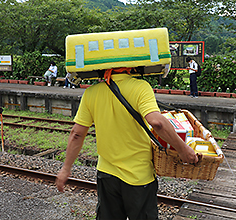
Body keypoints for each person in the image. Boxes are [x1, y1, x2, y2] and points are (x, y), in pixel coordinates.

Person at [56, 68, 198, 219]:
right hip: (139, 176)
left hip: (107, 175)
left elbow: (77, 134)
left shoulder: (92, 92)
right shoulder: (140, 87)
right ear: (131, 66)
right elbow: (157, 122)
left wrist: (66, 168)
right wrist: (183, 150)